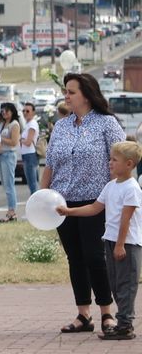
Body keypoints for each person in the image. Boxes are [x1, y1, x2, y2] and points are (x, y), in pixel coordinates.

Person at [43, 73, 126, 335]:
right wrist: (41, 196)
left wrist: (116, 196)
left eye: (71, 92)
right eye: (65, 91)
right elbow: (50, 164)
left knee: (94, 256)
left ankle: (106, 312)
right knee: (75, 258)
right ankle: (83, 314)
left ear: (87, 95)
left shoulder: (107, 124)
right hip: (61, 203)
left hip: (95, 202)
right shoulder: (61, 126)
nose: (66, 96)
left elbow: (120, 161)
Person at [57, 141, 142, 340]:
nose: (110, 162)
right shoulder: (111, 186)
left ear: (129, 164)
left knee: (126, 284)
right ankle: (122, 322)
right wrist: (69, 211)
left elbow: (126, 219)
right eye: (110, 158)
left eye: (115, 160)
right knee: (114, 282)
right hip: (111, 241)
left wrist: (120, 244)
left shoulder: (132, 188)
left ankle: (125, 324)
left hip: (127, 244)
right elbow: (95, 208)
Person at [0, 103, 22, 222]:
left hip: (9, 155)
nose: (4, 113)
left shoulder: (14, 124)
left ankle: (12, 212)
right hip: (1, 155)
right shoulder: (2, 123)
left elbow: (14, 142)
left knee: (9, 185)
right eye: (2, 111)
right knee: (5, 185)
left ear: (12, 112)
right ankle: (10, 211)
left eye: (7, 111)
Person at [18, 102, 41, 195]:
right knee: (31, 181)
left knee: (32, 182)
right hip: (27, 154)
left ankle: (36, 201)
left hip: (30, 154)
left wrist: (20, 139)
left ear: (33, 112)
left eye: (27, 111)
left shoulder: (32, 124)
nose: (25, 113)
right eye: (23, 111)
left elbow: (28, 142)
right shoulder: (28, 124)